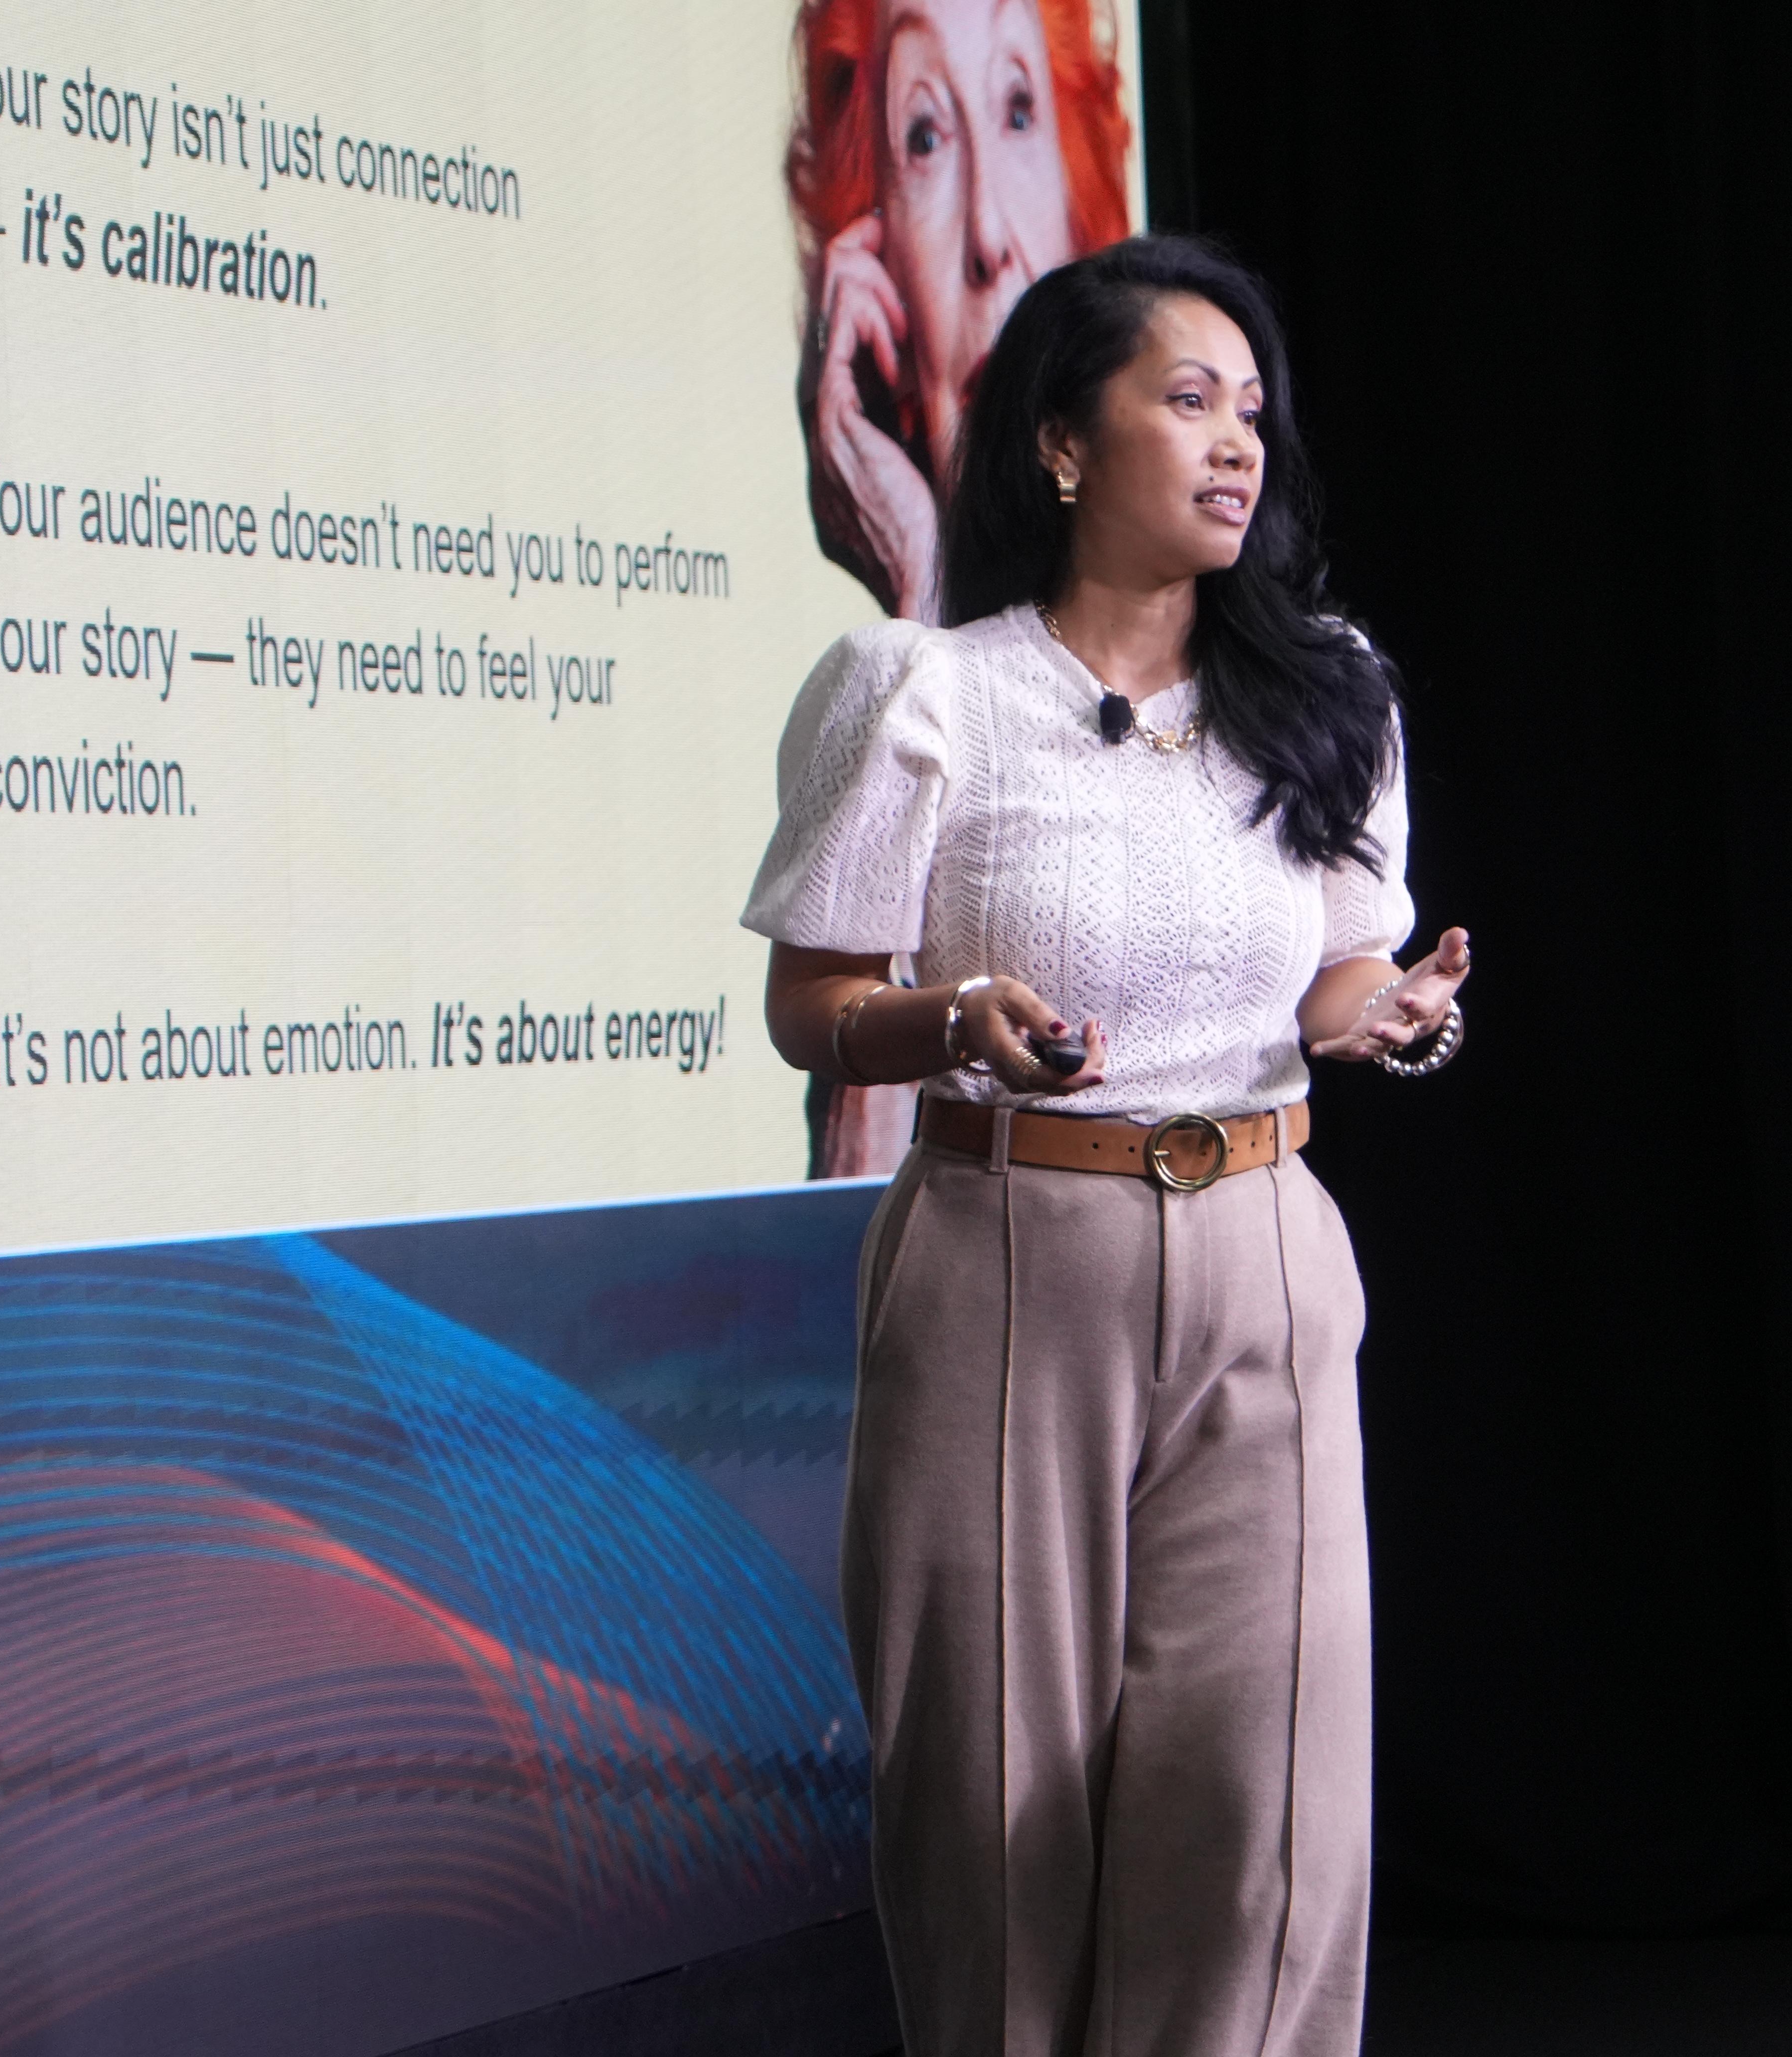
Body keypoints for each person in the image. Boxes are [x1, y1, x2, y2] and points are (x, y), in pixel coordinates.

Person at [742, 235, 1473, 2057]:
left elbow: (1333, 970)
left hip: (1263, 1252)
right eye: (1187, 400)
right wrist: (945, 1022)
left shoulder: (1325, 695)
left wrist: (1385, 1007)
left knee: (1263, 1807)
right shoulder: (925, 691)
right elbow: (813, 1000)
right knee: (998, 1811)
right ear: (1066, 445)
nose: (1238, 445)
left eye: (1253, 413)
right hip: (1010, 1252)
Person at [786, 0, 1137, 1178]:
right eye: (927, 138)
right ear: (866, 266)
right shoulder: (906, 676)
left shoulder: (1200, 669)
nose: (991, 235)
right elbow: (858, 1253)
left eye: (1022, 113)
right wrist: (918, 569)